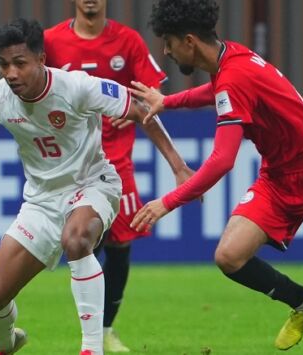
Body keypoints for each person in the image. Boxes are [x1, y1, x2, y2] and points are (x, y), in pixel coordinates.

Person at [121, 1, 303, 354]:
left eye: (168, 42)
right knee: (229, 256)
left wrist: (167, 202)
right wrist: (168, 102)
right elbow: (216, 91)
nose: (166, 51)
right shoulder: (230, 58)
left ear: (188, 41)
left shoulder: (233, 76)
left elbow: (221, 161)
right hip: (279, 176)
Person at [0, 18, 189, 355]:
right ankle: (7, 344)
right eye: (4, 64)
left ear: (41, 59)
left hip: (94, 184)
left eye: (20, 63)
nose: (11, 73)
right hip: (41, 202)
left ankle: (91, 349)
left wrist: (178, 167)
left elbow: (140, 109)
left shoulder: (78, 87)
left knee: (76, 239)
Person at [43, 1, 180, 352]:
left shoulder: (128, 41)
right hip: (72, 163)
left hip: (118, 161)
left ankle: (104, 329)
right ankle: (91, 329)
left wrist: (132, 106)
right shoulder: (51, 42)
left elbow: (152, 98)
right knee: (86, 243)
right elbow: (37, 92)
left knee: (121, 245)